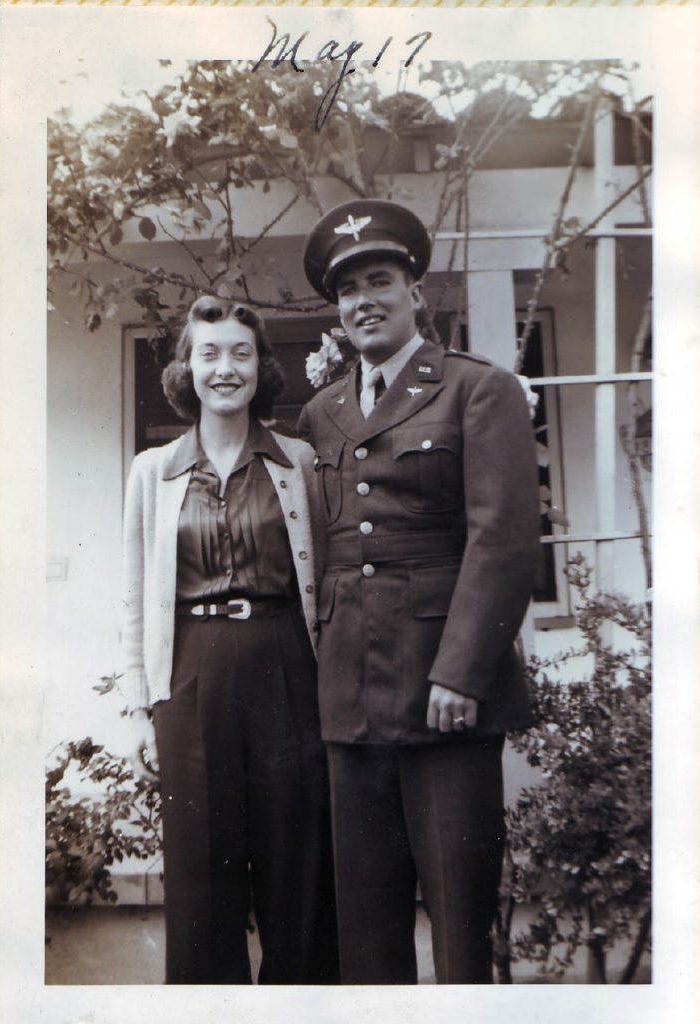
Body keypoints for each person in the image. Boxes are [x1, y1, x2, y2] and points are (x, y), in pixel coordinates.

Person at [298, 199, 541, 985]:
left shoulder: (477, 390)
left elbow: (501, 541)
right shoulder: (322, 412)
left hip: (445, 698)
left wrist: (458, 673)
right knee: (366, 930)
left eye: (379, 280)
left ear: (413, 294)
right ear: (337, 312)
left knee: (459, 925)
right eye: (348, 291)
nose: (364, 300)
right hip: (351, 699)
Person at [121, 296, 338, 985]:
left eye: (240, 353)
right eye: (208, 353)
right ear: (187, 369)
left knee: (297, 863)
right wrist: (141, 696)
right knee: (200, 873)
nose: (225, 368)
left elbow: (326, 576)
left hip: (285, 664)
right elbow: (134, 593)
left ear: (260, 367)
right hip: (190, 675)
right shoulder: (151, 472)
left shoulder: (298, 462)